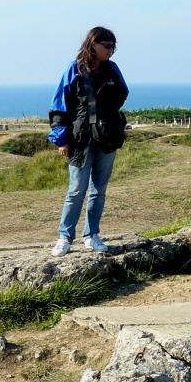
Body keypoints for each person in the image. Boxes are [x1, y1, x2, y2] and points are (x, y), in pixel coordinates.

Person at [48, 26, 128, 257]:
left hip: (108, 137)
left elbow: (122, 93)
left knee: (99, 190)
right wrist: (61, 140)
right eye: (107, 46)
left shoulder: (113, 70)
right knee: (76, 190)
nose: (111, 51)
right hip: (79, 139)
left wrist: (107, 116)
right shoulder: (74, 70)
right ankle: (65, 237)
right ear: (93, 44)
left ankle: (91, 235)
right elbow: (59, 107)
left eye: (114, 46)